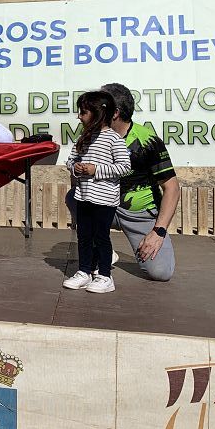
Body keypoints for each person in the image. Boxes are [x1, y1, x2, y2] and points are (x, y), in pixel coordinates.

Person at [102, 82, 179, 282]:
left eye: (100, 106)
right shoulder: (93, 136)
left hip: (140, 215)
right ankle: (103, 249)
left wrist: (158, 231)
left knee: (160, 272)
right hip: (104, 208)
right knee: (73, 198)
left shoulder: (147, 140)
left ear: (115, 112)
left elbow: (171, 186)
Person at [64, 91, 131, 294]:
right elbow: (71, 159)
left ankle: (104, 275)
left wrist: (96, 170)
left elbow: (125, 167)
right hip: (83, 196)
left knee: (101, 236)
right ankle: (84, 271)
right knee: (84, 235)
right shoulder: (83, 138)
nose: (79, 116)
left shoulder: (113, 139)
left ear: (98, 114)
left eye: (83, 112)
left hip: (104, 199)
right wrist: (74, 167)